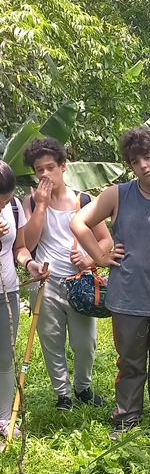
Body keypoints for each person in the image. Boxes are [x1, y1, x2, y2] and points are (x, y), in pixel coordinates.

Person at [70, 126, 150, 437]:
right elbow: (80, 223)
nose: (143, 165)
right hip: (127, 296)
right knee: (129, 363)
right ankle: (127, 418)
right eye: (135, 161)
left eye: (148, 157)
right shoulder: (118, 194)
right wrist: (100, 257)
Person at [22, 137, 112, 409]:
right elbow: (28, 242)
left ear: (63, 166)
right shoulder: (30, 201)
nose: (45, 174)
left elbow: (106, 241)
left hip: (80, 283)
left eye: (50, 167)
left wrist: (87, 259)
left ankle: (83, 387)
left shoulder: (84, 200)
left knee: (85, 343)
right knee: (51, 341)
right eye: (40, 170)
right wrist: (40, 205)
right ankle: (63, 394)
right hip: (44, 283)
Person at [0, 161, 49, 442]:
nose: (2, 207)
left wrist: (30, 264)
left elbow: (19, 248)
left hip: (6, 292)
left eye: (5, 202)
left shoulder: (15, 206)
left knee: (5, 357)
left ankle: (4, 418)